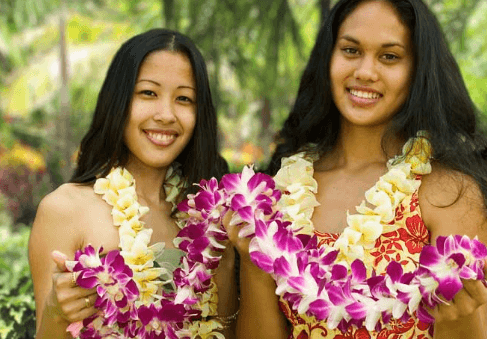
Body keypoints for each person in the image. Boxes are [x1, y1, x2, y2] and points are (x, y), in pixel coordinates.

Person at [228, 0, 487, 338]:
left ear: (419, 70)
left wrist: (457, 316)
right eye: (351, 50)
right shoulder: (282, 192)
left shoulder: (447, 194)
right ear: (328, 59)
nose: (365, 71)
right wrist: (252, 261)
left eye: (389, 56)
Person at [28, 28, 239, 339]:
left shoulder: (209, 221)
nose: (166, 115)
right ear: (119, 101)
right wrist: (56, 315)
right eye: (148, 93)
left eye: (183, 98)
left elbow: (228, 331)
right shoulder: (64, 210)